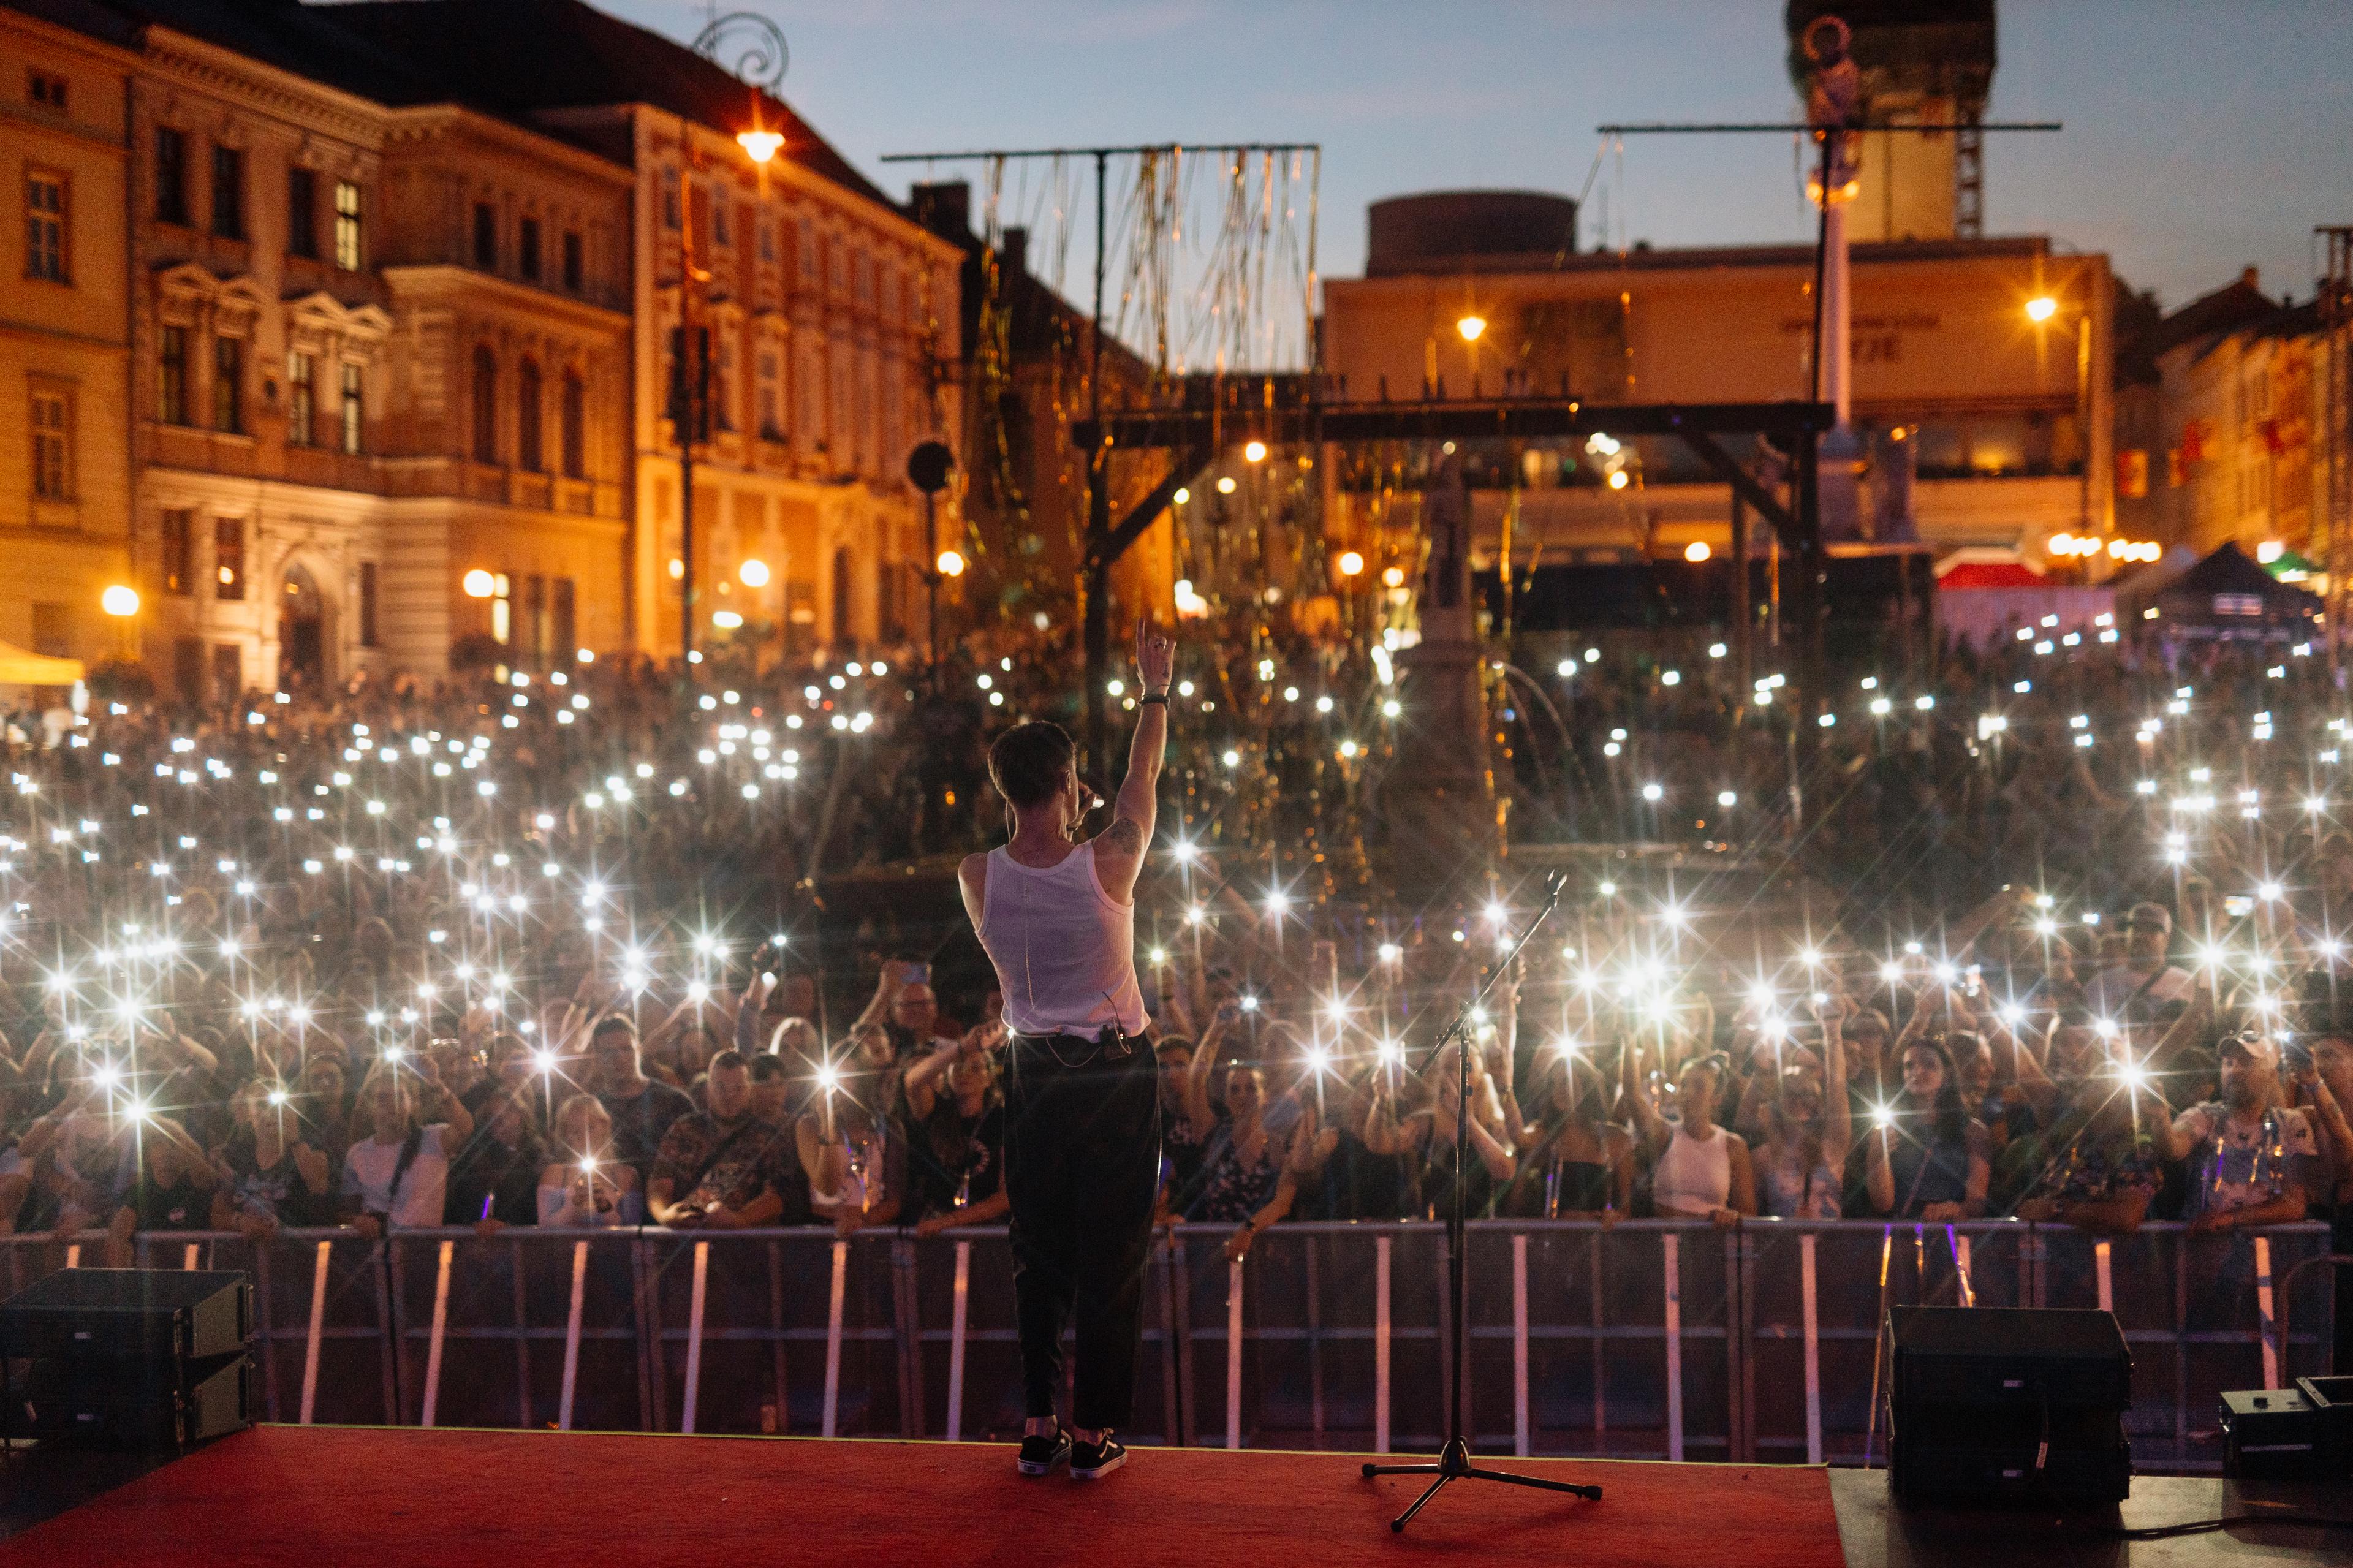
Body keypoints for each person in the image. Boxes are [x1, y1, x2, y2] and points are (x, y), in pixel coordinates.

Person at [957, 615, 1170, 1482]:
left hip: (1034, 1072)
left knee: (1035, 1249)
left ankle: (1040, 1423)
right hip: (1116, 1072)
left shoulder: (977, 875)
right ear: (1069, 781)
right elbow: (1143, 774)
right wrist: (1154, 688)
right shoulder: (1108, 863)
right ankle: (1096, 1434)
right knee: (1112, 1254)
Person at [647, 1051, 790, 1230]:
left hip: (744, 1245)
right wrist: (666, 1215)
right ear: (708, 1088)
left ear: (750, 1089)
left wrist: (738, 1220)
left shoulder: (768, 1137)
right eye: (721, 1087)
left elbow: (778, 1196)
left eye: (738, 1088)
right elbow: (660, 1182)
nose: (729, 1096)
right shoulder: (684, 1129)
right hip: (685, 1239)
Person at [341, 1059, 474, 1237]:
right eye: (383, 1098)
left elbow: (465, 1126)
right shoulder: (357, 1154)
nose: (392, 1104)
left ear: (411, 1104)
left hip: (421, 1251)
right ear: (369, 1106)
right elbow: (347, 1209)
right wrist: (358, 1221)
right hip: (377, 1253)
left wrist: (437, 1086)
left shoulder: (433, 1139)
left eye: (400, 1097)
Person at [902, 1023, 1011, 1237]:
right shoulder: (937, 1113)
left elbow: (1005, 1196)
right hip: (936, 1233)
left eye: (975, 1068)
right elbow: (912, 1081)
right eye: (958, 1066)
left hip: (986, 1234)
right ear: (948, 1076)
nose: (965, 1073)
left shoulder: (1003, 1119)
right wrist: (962, 1047)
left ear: (989, 1078)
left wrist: (952, 1221)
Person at [1624, 1048, 1756, 1227]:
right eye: (1684, 1085)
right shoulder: (1665, 1134)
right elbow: (1633, 1096)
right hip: (1667, 1242)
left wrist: (1729, 1216)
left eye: (1699, 1086)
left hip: (1710, 1246)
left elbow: (1748, 1213)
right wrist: (1628, 1039)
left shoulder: (1732, 1146)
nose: (1688, 1093)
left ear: (1717, 1098)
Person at [1863, 1036, 1990, 1220]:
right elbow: (1883, 1203)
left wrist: (1954, 1208)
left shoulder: (1972, 1131)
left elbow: (1977, 1205)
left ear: (1946, 1074)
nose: (1918, 1072)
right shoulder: (1889, 1129)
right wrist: (1877, 1152)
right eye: (1909, 1066)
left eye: (1929, 1065)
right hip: (1903, 1233)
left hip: (1951, 1233)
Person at [589, 1015, 695, 1189]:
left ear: (639, 1049)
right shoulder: (593, 1110)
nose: (619, 1058)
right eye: (609, 1052)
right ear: (597, 1058)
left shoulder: (675, 1102)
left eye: (626, 1049)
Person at [538, 1092, 643, 1227]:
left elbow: (633, 1231)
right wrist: (572, 1209)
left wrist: (605, 1208)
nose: (585, 1137)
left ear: (605, 1126)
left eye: (590, 1128)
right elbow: (544, 1231)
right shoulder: (554, 1175)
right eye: (576, 1132)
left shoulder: (627, 1176)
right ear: (566, 1136)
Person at [2085, 902, 2193, 1029]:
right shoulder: (2100, 985)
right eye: (2136, 928)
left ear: (2167, 939)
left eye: (2152, 930)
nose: (2141, 935)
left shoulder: (2188, 983)